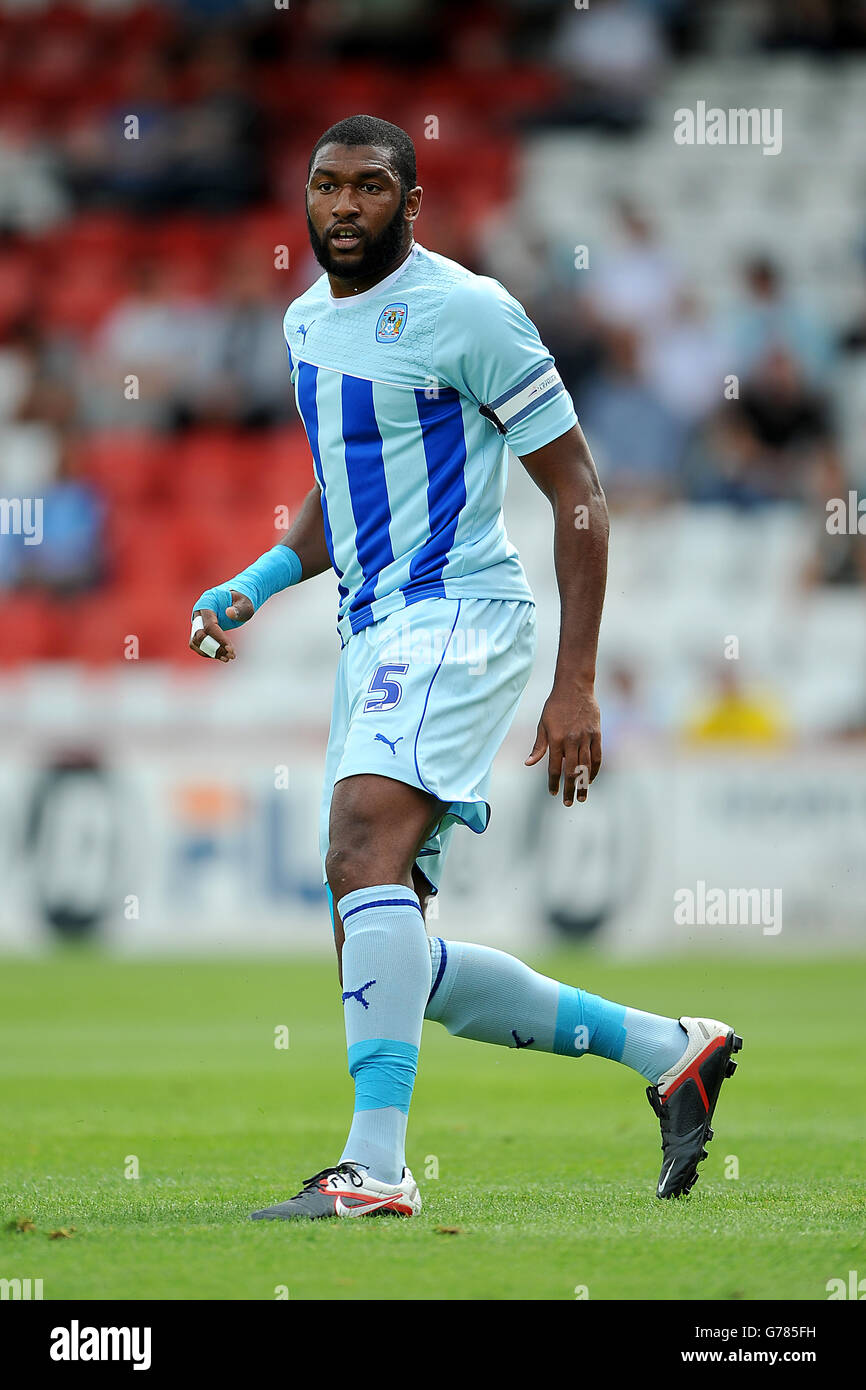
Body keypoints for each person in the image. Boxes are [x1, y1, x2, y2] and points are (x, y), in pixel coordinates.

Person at [189, 115, 741, 1219]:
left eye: (369, 187)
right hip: (371, 629)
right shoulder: (304, 324)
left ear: (412, 201)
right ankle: (669, 1049)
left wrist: (574, 678)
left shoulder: (471, 310)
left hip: (457, 617)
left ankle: (377, 1171)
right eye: (325, 186)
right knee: (382, 935)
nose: (344, 207)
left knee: (359, 848)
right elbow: (345, 501)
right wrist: (251, 581)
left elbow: (576, 486)